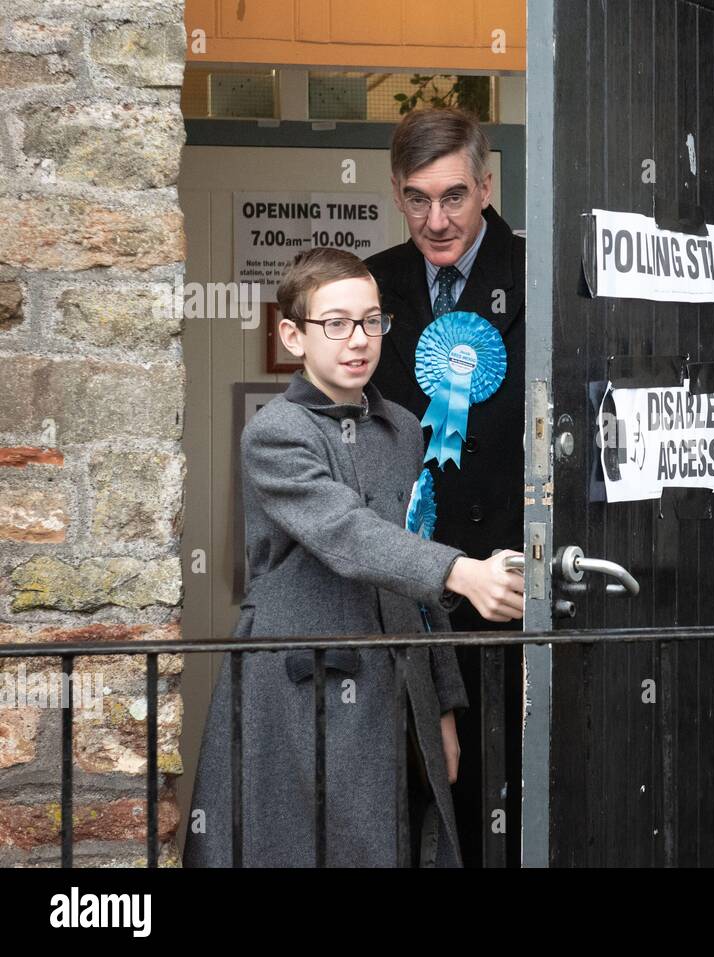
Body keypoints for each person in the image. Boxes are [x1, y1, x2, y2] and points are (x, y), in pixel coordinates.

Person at [183, 247, 524, 868]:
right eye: (335, 323)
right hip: (297, 686)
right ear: (292, 335)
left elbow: (410, 552)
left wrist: (442, 703)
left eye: (372, 321)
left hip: (395, 684)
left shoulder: (402, 427)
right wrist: (463, 571)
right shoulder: (275, 431)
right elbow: (347, 533)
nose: (359, 340)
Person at [366, 107, 526, 866]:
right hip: (405, 601)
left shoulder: (542, 274)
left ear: (487, 185)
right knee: (412, 813)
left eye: (455, 196)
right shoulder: (372, 287)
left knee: (512, 809)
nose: (436, 219)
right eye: (417, 198)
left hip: (516, 601)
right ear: (397, 193)